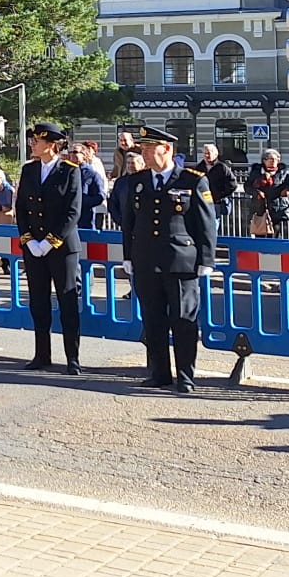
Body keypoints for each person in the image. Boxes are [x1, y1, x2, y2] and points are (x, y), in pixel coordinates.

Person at [122, 126, 216, 395]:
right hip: (146, 260)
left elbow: (205, 223)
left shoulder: (191, 179)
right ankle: (159, 373)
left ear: (167, 149)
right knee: (153, 320)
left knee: (183, 321)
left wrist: (207, 259)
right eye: (143, 148)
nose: (145, 153)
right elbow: (129, 222)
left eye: (151, 148)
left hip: (180, 261)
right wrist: (128, 254)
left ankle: (185, 376)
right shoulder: (137, 181)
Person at [16, 123, 83, 374]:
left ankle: (72, 357)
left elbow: (73, 212)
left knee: (67, 301)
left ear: (52, 145)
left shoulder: (69, 171)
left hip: (62, 248)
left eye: (37, 141)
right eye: (33, 140)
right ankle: (41, 354)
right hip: (34, 247)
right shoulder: (30, 169)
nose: (33, 144)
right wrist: (29, 240)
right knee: (39, 302)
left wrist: (50, 241)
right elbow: (22, 208)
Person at [245, 149, 289, 237]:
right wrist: (257, 192)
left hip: (277, 209)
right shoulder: (257, 172)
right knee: (260, 233)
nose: (273, 162)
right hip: (260, 208)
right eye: (270, 159)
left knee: (275, 234)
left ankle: (274, 250)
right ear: (264, 160)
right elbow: (247, 186)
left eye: (276, 159)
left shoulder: (283, 172)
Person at [197, 144, 239, 224]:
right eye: (205, 153)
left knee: (214, 225)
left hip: (216, 202)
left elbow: (233, 184)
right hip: (203, 201)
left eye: (208, 153)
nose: (206, 155)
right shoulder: (199, 167)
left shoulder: (222, 167)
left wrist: (220, 195)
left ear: (215, 154)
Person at [73, 140, 109, 230]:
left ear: (84, 155)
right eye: (70, 152)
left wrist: (82, 202)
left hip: (85, 219)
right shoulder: (64, 172)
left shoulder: (92, 174)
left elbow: (100, 196)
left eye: (75, 152)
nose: (71, 155)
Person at [107, 146, 144, 230]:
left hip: (143, 226)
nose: (130, 166)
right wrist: (119, 220)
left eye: (133, 163)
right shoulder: (120, 182)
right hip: (125, 225)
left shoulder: (147, 180)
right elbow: (113, 202)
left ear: (142, 165)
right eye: (128, 163)